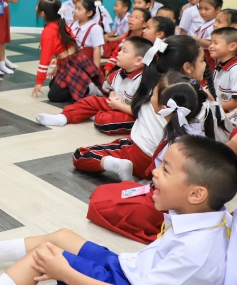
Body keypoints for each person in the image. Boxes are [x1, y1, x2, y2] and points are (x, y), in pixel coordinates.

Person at [0, 135, 237, 285]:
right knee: (62, 236)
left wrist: (66, 273)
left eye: (165, 170)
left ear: (196, 194)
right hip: (130, 269)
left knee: (44, 256)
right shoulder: (207, 214)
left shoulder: (195, 254)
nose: (153, 172)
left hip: (124, 281)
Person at [86, 73, 217, 245]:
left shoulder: (180, 144)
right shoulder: (190, 127)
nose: (150, 98)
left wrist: (155, 192)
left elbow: (176, 189)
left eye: (153, 94)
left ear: (163, 106)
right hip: (168, 194)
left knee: (100, 203)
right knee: (105, 193)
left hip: (170, 204)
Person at [73, 35, 205, 182]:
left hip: (138, 154)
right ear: (187, 67)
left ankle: (117, 165)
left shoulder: (151, 83)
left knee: (80, 155)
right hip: (170, 170)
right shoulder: (202, 99)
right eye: (202, 60)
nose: (206, 64)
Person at [36, 36, 149, 133]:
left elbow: (142, 112)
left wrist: (119, 106)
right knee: (90, 101)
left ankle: (95, 114)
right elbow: (113, 89)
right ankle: (63, 118)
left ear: (138, 61)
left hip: (133, 113)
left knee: (105, 121)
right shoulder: (119, 73)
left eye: (124, 51)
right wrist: (112, 97)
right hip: (115, 104)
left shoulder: (143, 81)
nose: (118, 53)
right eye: (120, 50)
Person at [31, 0, 101, 103]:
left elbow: (45, 60)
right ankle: (83, 82)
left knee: (54, 96)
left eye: (38, 6)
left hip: (72, 64)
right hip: (74, 60)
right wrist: (58, 67)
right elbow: (64, 48)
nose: (36, 7)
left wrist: (39, 82)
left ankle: (87, 88)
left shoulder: (49, 31)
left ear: (42, 13)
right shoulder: (60, 22)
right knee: (52, 84)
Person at [104, 8, 150, 75]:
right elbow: (116, 53)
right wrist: (108, 66)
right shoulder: (126, 36)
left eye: (136, 17)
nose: (131, 19)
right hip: (122, 68)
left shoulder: (146, 40)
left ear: (145, 24)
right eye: (130, 16)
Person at [69, 0, 105, 71]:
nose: (75, 11)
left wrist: (96, 70)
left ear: (89, 13)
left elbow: (96, 50)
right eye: (75, 8)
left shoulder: (95, 28)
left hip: (86, 64)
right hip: (71, 62)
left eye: (79, 9)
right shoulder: (71, 26)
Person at [210, 27, 237, 114]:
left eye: (215, 43)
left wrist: (212, 108)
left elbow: (236, 102)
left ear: (232, 46)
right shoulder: (220, 65)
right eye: (211, 42)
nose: (211, 46)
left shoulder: (235, 69)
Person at [194, 0, 221, 72]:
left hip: (209, 57)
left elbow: (211, 43)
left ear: (218, 10)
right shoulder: (205, 22)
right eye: (200, 8)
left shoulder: (215, 25)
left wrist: (196, 40)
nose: (202, 12)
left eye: (206, 9)